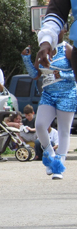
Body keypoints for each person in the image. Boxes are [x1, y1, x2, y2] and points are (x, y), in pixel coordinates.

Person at [22, 32, 75, 179]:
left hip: (67, 93)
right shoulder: (42, 51)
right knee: (39, 125)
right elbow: (34, 75)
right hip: (48, 94)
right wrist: (26, 58)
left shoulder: (67, 49)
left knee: (64, 131)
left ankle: (59, 166)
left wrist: (63, 75)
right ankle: (50, 154)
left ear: (61, 32)